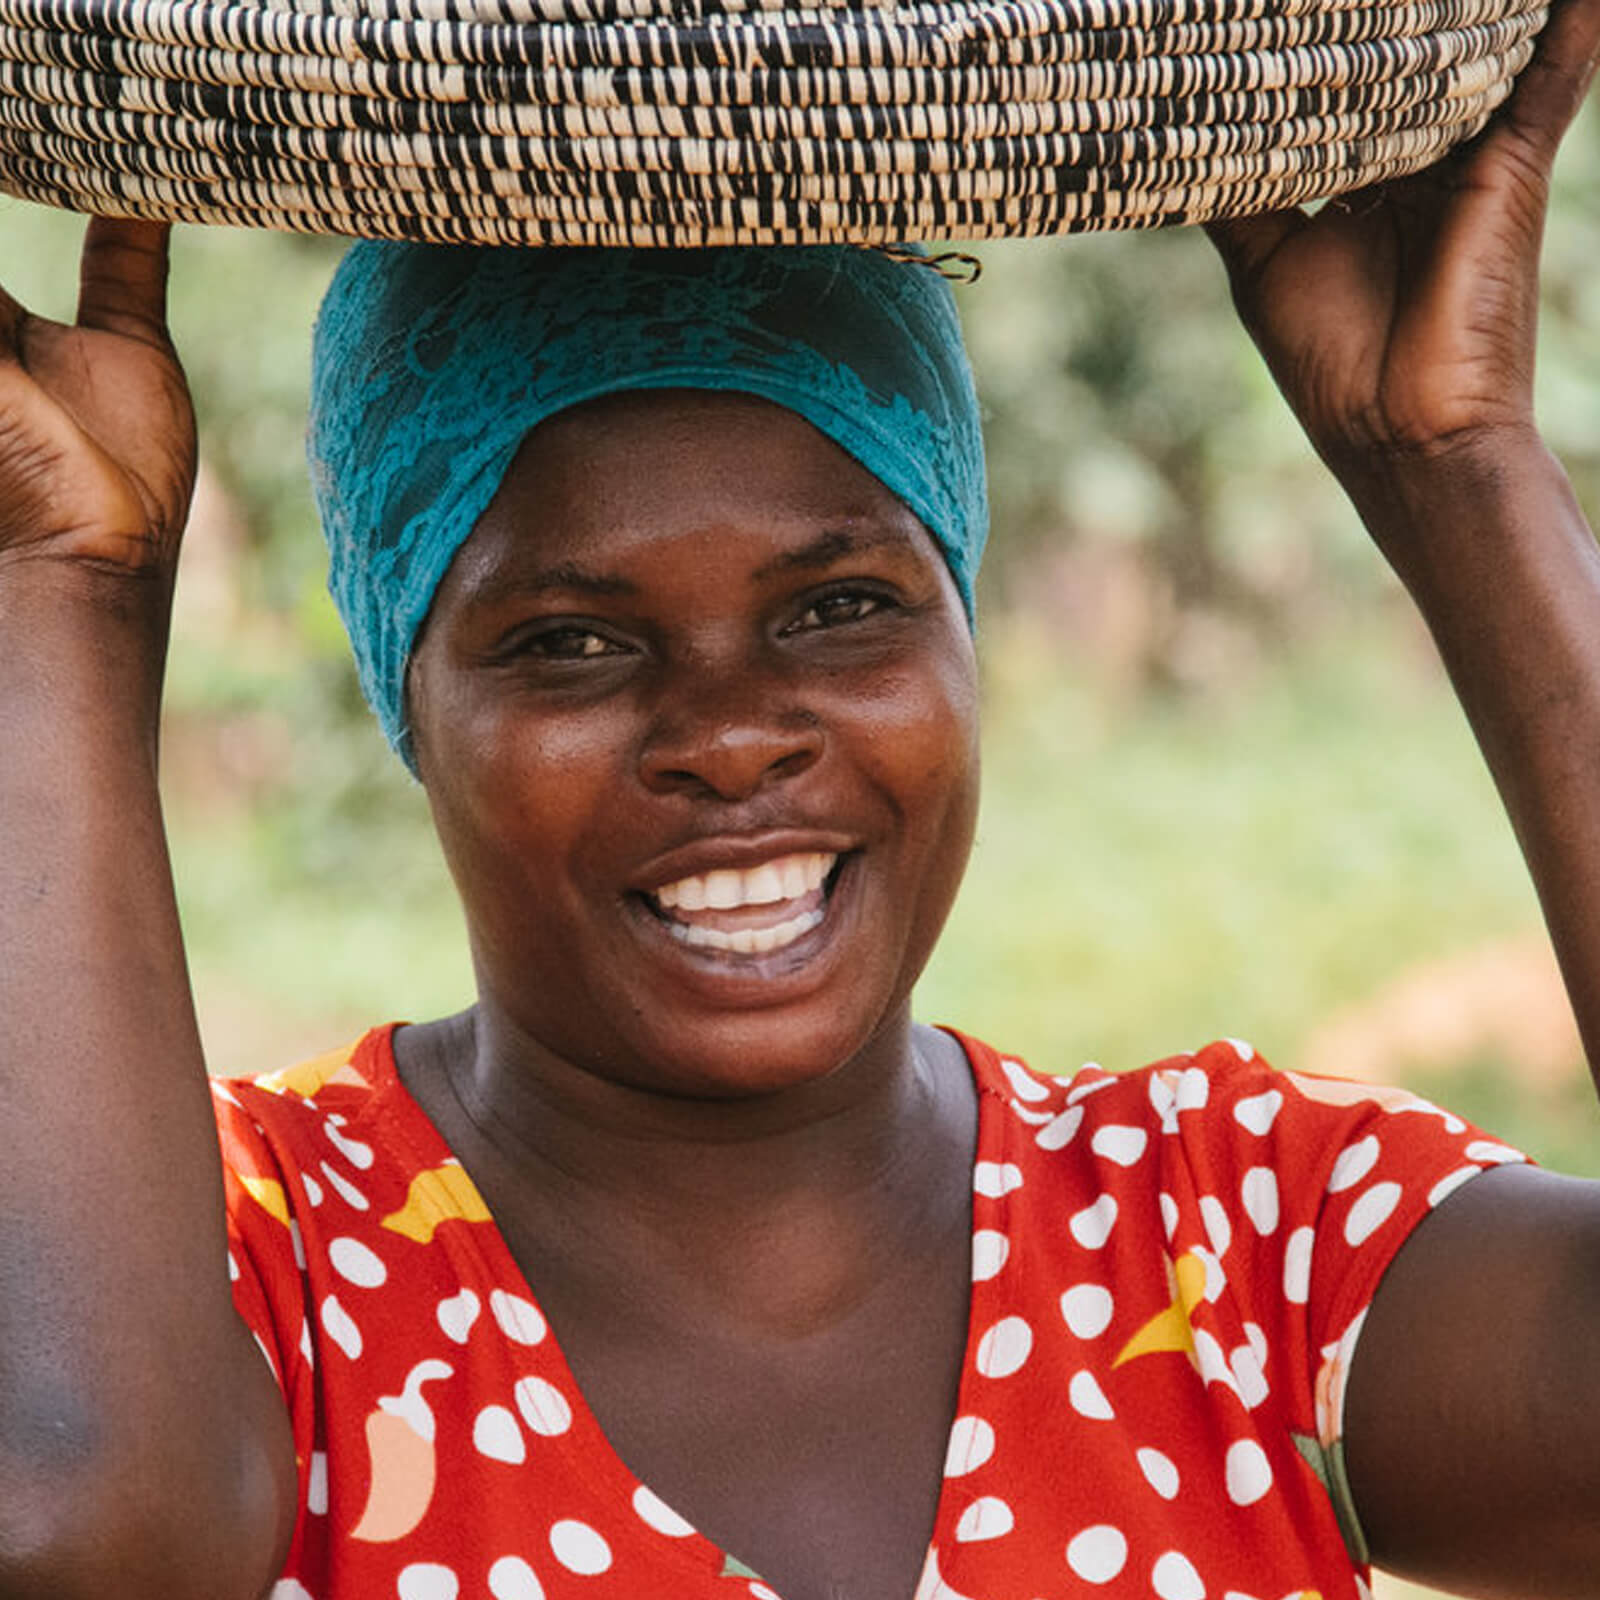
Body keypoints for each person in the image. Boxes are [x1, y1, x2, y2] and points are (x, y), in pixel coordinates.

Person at [2, 0, 1599, 1591]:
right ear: (411, 708)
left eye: (840, 608)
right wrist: (68, 596)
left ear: (973, 637)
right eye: (569, 641)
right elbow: (82, 1533)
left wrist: (1455, 471)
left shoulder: (1230, 1241)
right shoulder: (224, 1263)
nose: (733, 732)